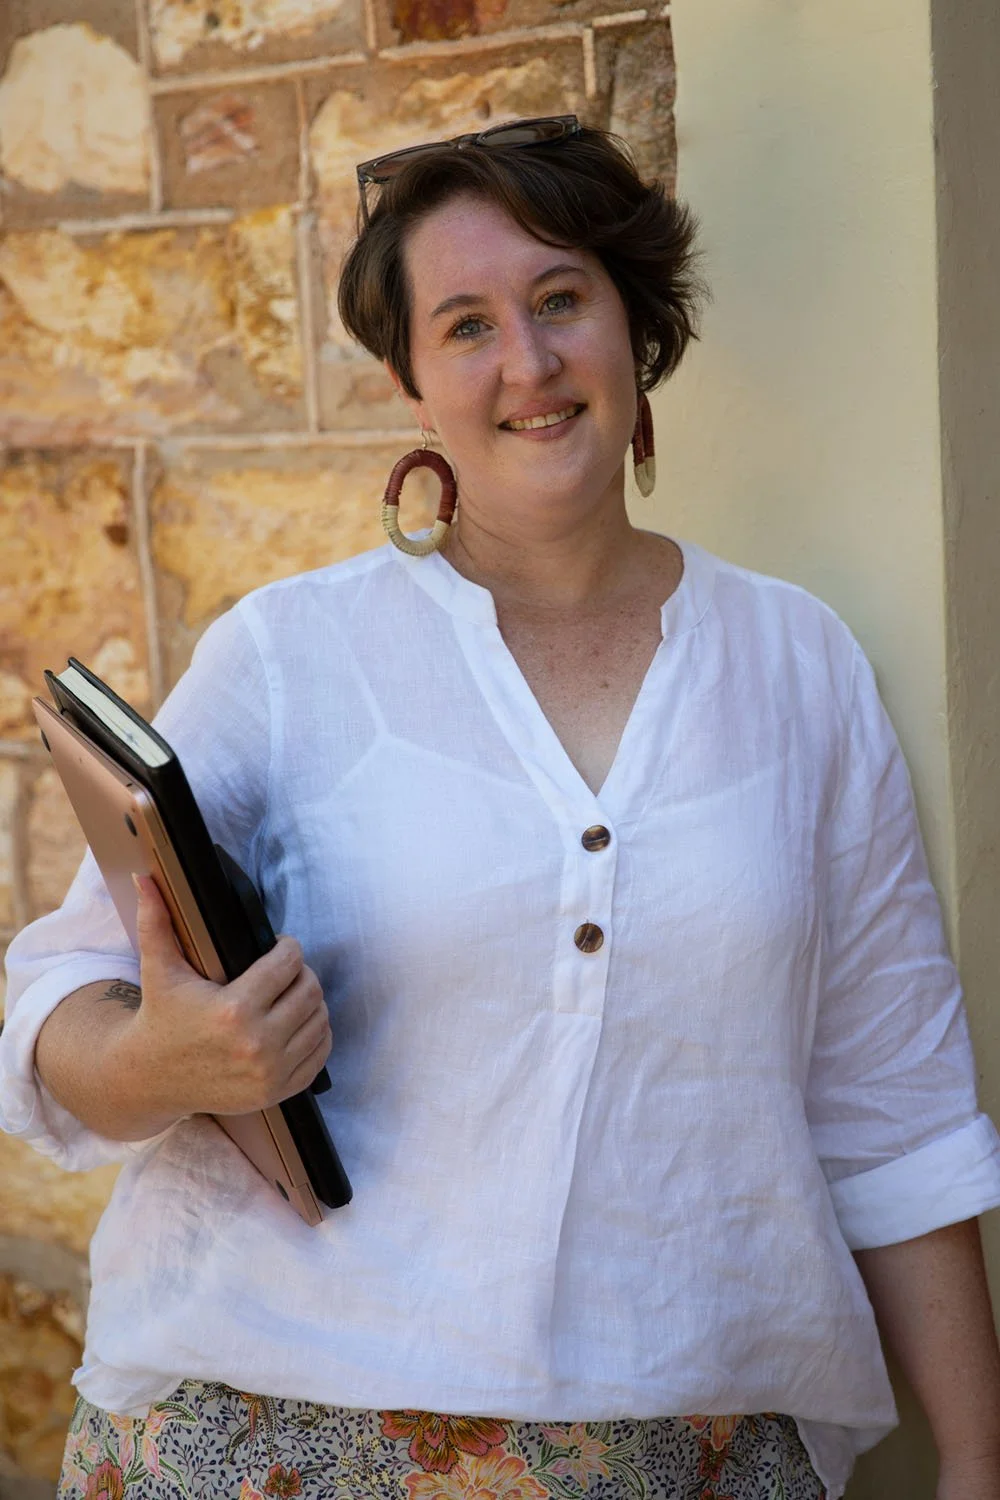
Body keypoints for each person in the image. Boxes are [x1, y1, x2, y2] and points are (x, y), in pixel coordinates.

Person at [2, 116, 1000, 1500]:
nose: (526, 363)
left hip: (691, 1447)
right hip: (278, 1433)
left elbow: (892, 1106)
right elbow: (60, 992)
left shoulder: (800, 666)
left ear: (635, 328)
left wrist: (974, 1462)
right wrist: (170, 1060)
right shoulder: (290, 657)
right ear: (412, 382)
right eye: (465, 325)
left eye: (559, 301)